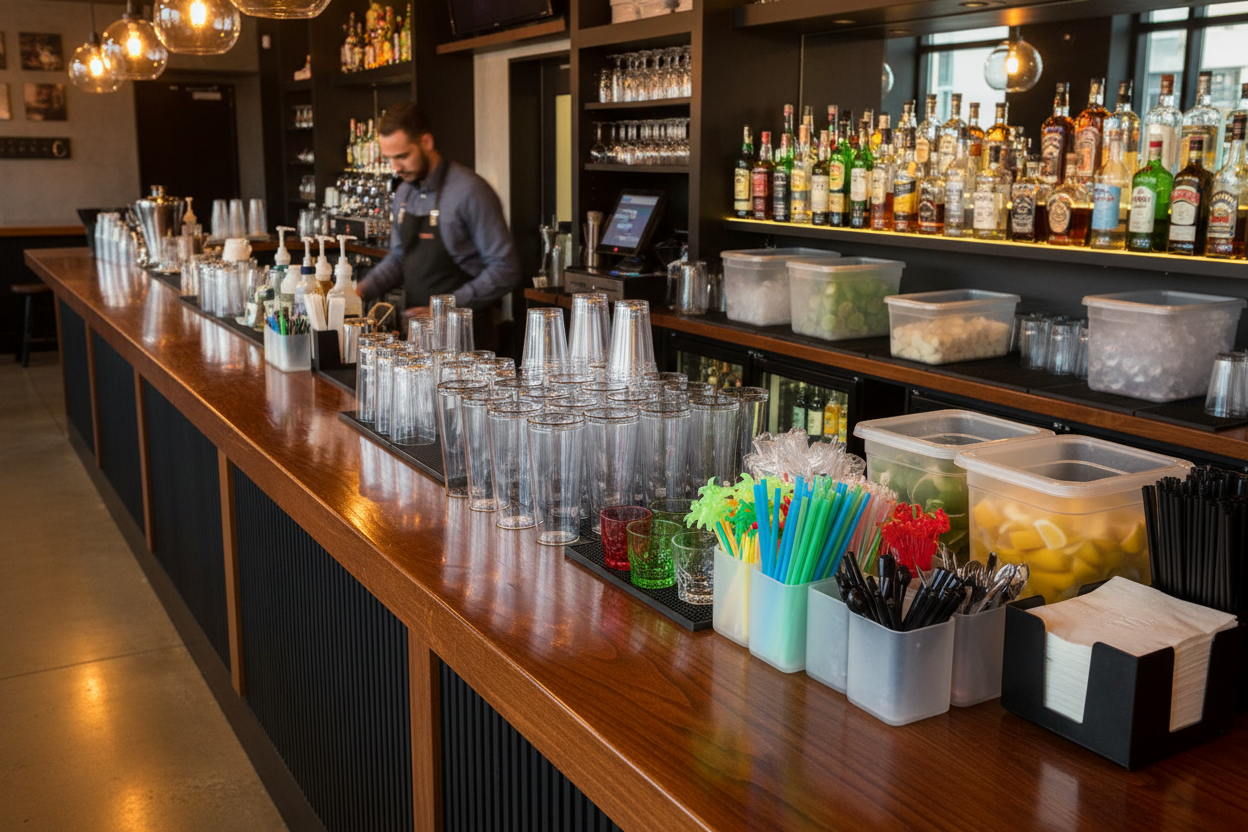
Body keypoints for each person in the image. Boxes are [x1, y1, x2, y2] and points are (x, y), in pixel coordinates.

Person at [356, 103, 520, 329]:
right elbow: (398, 258)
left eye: (402, 156)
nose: (395, 167)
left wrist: (445, 308)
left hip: (466, 337)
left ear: (426, 143)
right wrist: (359, 291)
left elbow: (505, 269)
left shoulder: (469, 191)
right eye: (389, 159)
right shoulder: (404, 192)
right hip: (417, 335)